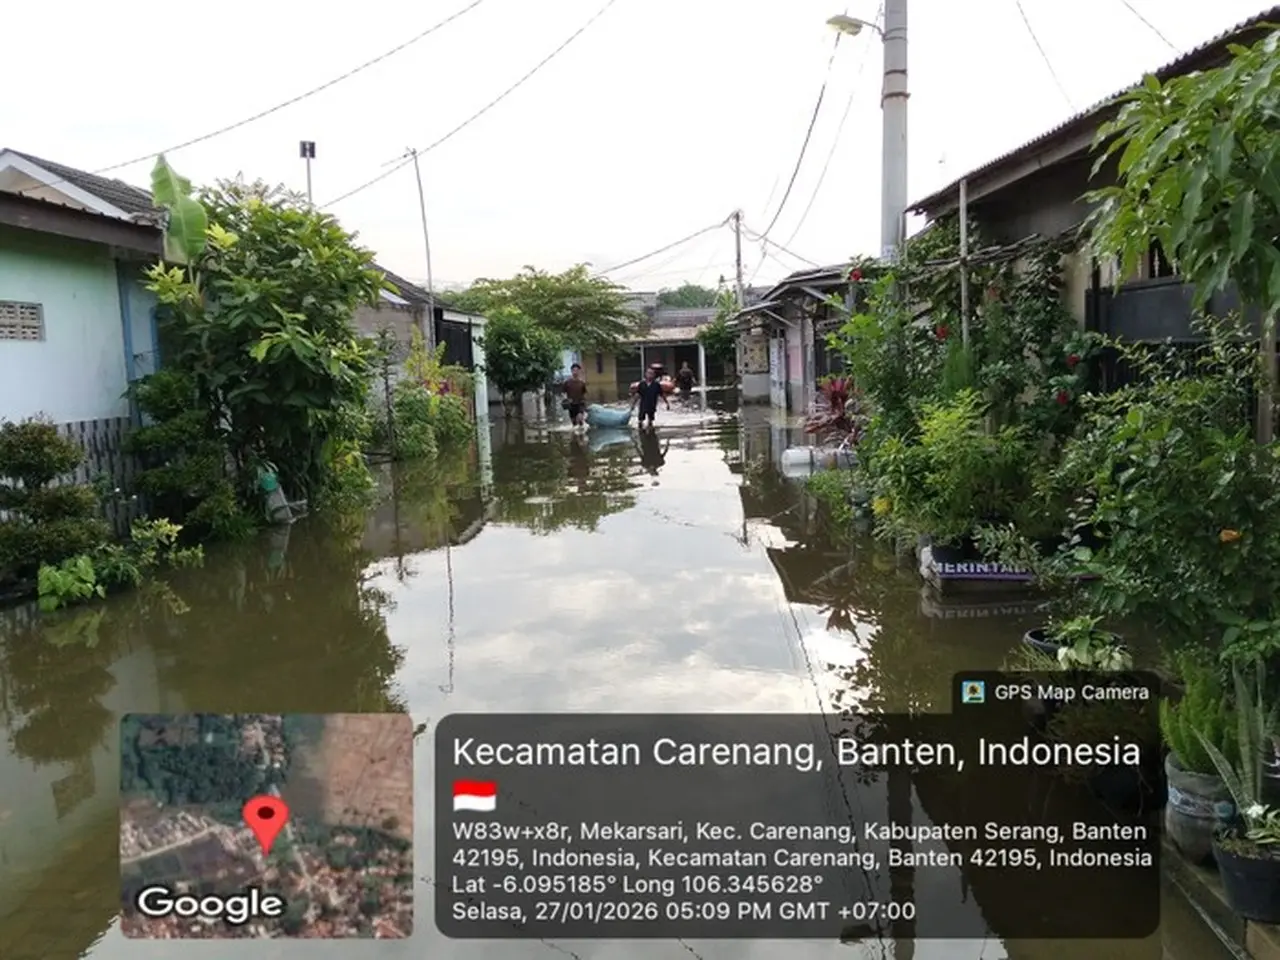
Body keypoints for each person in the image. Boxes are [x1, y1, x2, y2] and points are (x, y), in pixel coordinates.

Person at [630, 365, 670, 431]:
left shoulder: (656, 385)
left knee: (650, 421)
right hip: (643, 405)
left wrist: (667, 403)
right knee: (640, 420)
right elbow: (637, 395)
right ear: (646, 374)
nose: (650, 375)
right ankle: (642, 433)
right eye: (648, 373)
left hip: (652, 405)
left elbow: (662, 394)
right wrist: (633, 405)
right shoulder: (642, 384)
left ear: (654, 375)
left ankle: (651, 434)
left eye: (651, 374)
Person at [563, 363, 588, 430]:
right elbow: (563, 393)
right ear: (571, 371)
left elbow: (584, 393)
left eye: (577, 370)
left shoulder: (582, 383)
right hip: (571, 404)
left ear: (579, 371)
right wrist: (565, 401)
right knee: (574, 423)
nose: (575, 372)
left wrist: (584, 404)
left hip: (580, 403)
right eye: (574, 370)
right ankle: (576, 438)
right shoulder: (567, 382)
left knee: (579, 418)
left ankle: (582, 434)